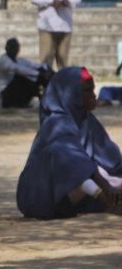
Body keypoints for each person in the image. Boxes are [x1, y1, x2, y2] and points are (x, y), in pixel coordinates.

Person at [16, 67, 122, 219]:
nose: (94, 95)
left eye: (93, 89)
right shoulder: (57, 123)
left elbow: (112, 160)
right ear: (71, 94)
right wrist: (106, 188)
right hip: (42, 196)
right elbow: (75, 162)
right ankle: (105, 201)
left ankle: (108, 199)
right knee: (63, 153)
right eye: (87, 90)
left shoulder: (87, 121)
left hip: (79, 191)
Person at [0, 38, 51, 108]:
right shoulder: (3, 60)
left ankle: (50, 96)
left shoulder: (19, 60)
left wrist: (46, 68)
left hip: (15, 93)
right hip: (5, 97)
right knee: (23, 77)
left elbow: (33, 65)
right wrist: (39, 74)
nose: (14, 49)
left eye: (16, 47)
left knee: (40, 72)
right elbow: (17, 69)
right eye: (12, 47)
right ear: (6, 48)